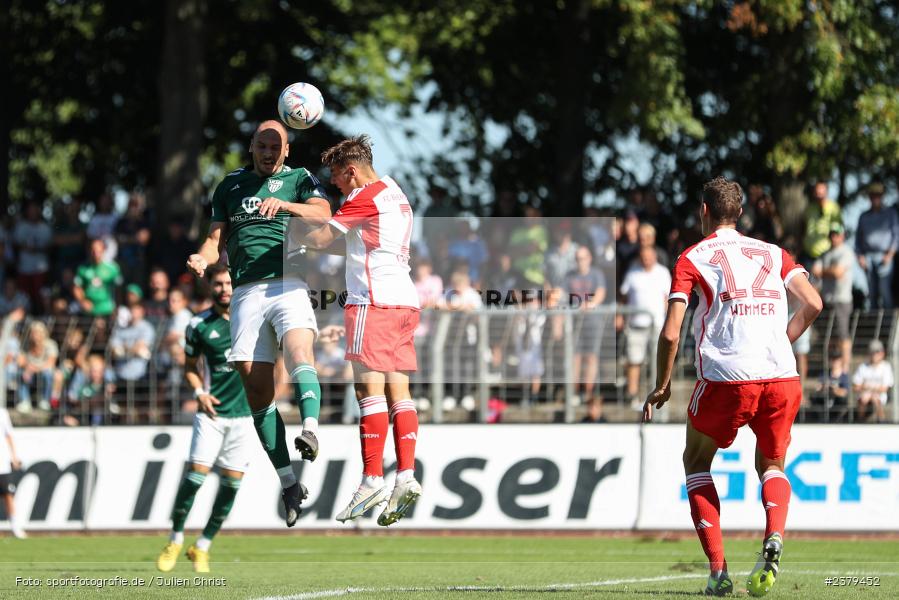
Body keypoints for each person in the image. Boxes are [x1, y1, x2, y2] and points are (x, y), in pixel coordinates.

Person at [644, 176, 822, 597]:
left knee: (696, 462)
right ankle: (774, 536)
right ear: (740, 214)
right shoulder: (774, 252)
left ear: (703, 211)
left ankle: (719, 573)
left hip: (727, 378)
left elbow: (671, 333)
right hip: (781, 374)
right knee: (772, 467)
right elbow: (813, 302)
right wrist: (781, 340)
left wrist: (661, 385)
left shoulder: (692, 257)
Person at [186, 120, 330, 527]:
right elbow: (215, 241)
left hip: (289, 282)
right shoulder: (230, 186)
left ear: (286, 151)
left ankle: (311, 428)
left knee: (300, 349)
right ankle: (289, 484)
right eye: (262, 145)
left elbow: (323, 214)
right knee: (256, 391)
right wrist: (202, 257)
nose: (269, 152)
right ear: (252, 147)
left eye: (276, 147)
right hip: (246, 291)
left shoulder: (299, 179)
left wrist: (286, 206)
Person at [302, 134, 422, 526]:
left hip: (373, 301)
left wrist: (291, 213)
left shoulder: (363, 198)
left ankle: (372, 479)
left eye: (336, 177)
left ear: (351, 171)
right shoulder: (394, 191)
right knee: (398, 393)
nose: (334, 184)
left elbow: (322, 239)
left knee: (367, 392)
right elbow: (358, 244)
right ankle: (405, 474)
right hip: (405, 300)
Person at [157, 266, 253, 574]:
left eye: (228, 283)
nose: (224, 288)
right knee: (194, 478)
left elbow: (274, 362)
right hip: (211, 415)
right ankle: (174, 539)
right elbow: (188, 366)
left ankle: (203, 547)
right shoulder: (198, 324)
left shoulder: (252, 319)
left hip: (244, 417)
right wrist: (199, 391)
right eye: (218, 284)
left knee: (231, 487)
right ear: (209, 287)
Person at [621, 245, 671, 410]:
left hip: (657, 325)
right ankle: (632, 396)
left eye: (649, 257)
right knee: (634, 361)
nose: (646, 260)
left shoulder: (663, 272)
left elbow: (667, 299)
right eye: (643, 257)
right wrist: (620, 316)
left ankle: (659, 395)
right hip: (636, 324)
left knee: (659, 363)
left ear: (655, 257)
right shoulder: (632, 273)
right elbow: (624, 296)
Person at [564, 246, 606, 405]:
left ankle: (588, 393)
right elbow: (562, 293)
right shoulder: (569, 276)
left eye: (583, 258)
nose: (580, 261)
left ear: (589, 258)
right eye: (578, 258)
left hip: (592, 322)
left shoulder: (596, 274)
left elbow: (601, 292)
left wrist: (590, 304)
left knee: (591, 357)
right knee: (575, 358)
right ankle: (574, 393)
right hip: (574, 323)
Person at [811, 225, 855, 370]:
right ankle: (833, 368)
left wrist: (822, 271)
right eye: (832, 234)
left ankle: (846, 367)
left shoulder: (846, 252)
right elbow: (814, 272)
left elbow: (838, 272)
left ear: (842, 236)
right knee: (829, 336)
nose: (834, 237)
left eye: (836, 234)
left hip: (842, 299)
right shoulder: (825, 254)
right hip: (827, 300)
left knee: (843, 334)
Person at [854, 182, 898, 310]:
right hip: (868, 257)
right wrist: (860, 256)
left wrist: (890, 255)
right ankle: (873, 325)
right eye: (873, 196)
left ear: (882, 196)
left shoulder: (890, 213)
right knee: (871, 293)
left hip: (885, 256)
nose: (875, 198)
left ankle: (888, 325)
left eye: (878, 195)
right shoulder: (864, 216)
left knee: (884, 291)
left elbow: (896, 237)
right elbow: (858, 240)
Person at [12, 201, 53, 313]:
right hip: (24, 268)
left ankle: (40, 319)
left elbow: (50, 248)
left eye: (35, 210)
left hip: (40, 269)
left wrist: (37, 249)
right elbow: (14, 245)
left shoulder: (45, 228)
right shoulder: (21, 226)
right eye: (30, 210)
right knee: (24, 298)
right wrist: (24, 248)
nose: (32, 213)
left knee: (40, 297)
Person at [73, 238, 123, 317]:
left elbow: (118, 289)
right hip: (89, 309)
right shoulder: (82, 268)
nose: (95, 253)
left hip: (107, 308)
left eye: (98, 250)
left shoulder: (113, 269)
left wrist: (117, 307)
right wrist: (83, 301)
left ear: (103, 250)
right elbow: (77, 287)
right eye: (93, 250)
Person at [16, 321, 59, 413]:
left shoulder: (51, 345)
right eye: (33, 332)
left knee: (48, 374)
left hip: (44, 374)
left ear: (44, 333)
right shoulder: (25, 345)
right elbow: (20, 362)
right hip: (30, 376)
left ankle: (45, 401)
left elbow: (50, 364)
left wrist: (32, 369)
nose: (35, 335)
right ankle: (25, 401)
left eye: (38, 332)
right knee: (20, 373)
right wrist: (27, 368)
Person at [852, 339, 893, 423]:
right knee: (864, 399)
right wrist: (869, 390)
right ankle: (860, 422)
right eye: (872, 352)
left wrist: (868, 388)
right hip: (865, 396)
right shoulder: (863, 367)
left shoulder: (886, 367)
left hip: (879, 396)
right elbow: (855, 387)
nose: (874, 355)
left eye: (877, 352)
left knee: (875, 398)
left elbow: (884, 389)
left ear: (882, 353)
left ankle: (881, 421)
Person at [0, 406, 25, 538]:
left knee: (8, 495)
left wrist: (14, 456)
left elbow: (8, 435)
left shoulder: (2, 413)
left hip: (2, 464)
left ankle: (15, 527)